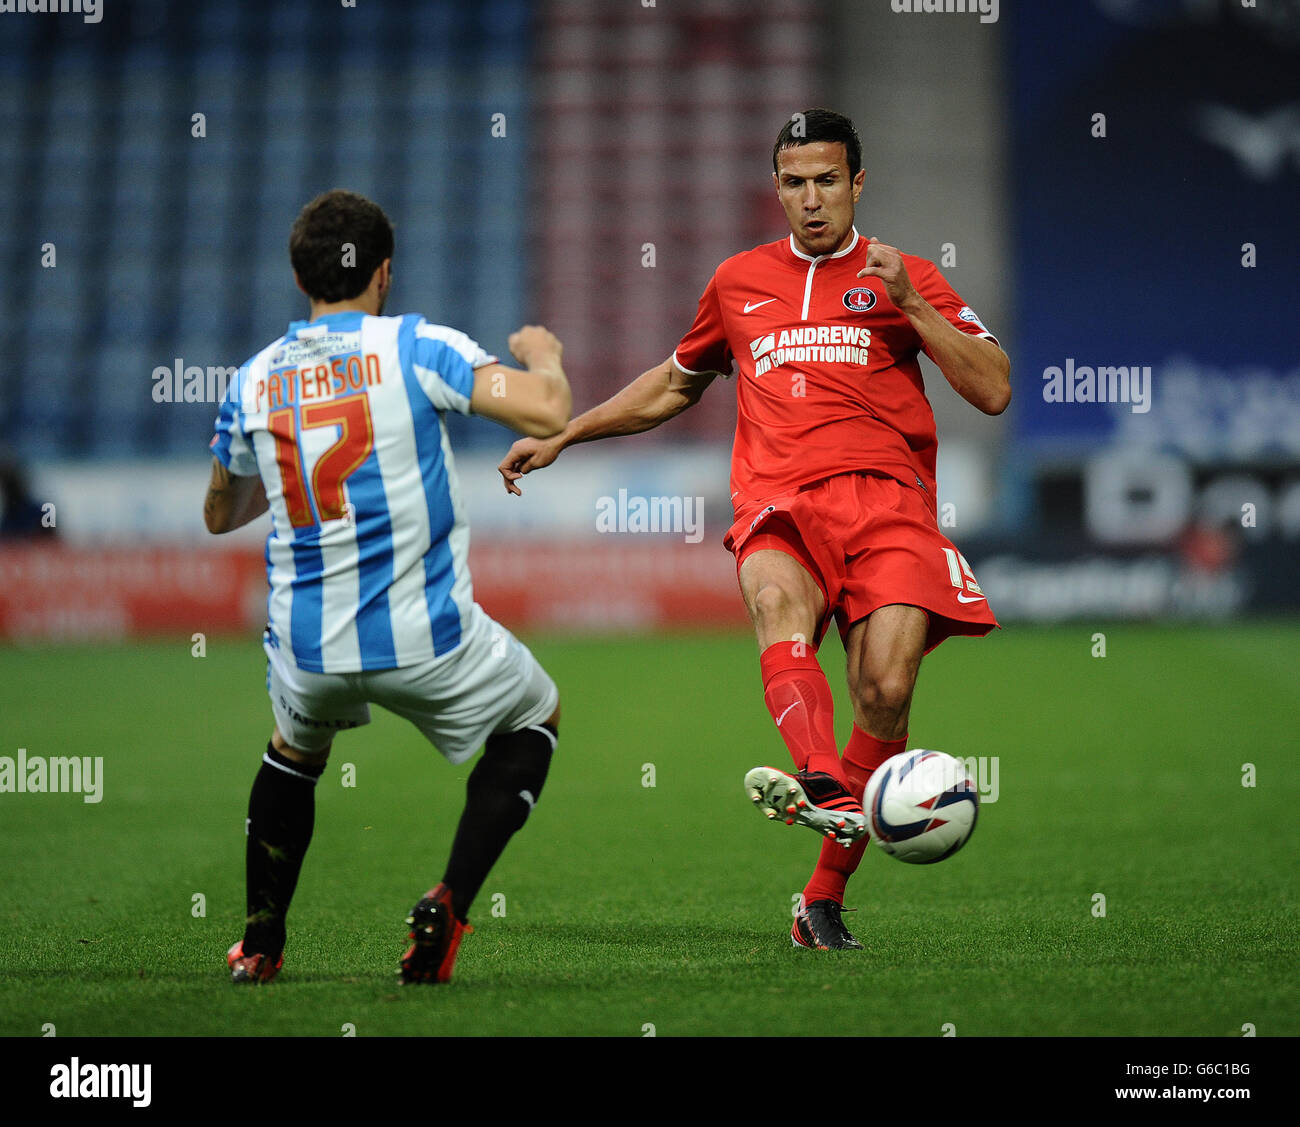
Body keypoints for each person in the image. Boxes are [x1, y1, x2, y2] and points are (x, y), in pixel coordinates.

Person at [498, 109, 1009, 950]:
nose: (812, 200)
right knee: (776, 599)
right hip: (782, 499)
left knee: (884, 689)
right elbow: (673, 383)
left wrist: (913, 304)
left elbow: (993, 388)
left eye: (828, 181)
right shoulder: (737, 281)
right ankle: (821, 776)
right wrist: (565, 435)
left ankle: (820, 896)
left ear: (858, 183)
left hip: (892, 504)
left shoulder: (904, 275)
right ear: (776, 187)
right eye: (795, 183)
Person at [204, 189, 571, 984]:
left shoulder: (254, 379)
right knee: (537, 711)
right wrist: (545, 355)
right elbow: (546, 412)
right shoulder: (417, 346)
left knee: (294, 749)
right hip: (426, 639)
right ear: (384, 272)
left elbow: (219, 511)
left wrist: (283, 460)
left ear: (301, 276)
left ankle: (260, 945)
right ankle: (451, 899)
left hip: (308, 648)